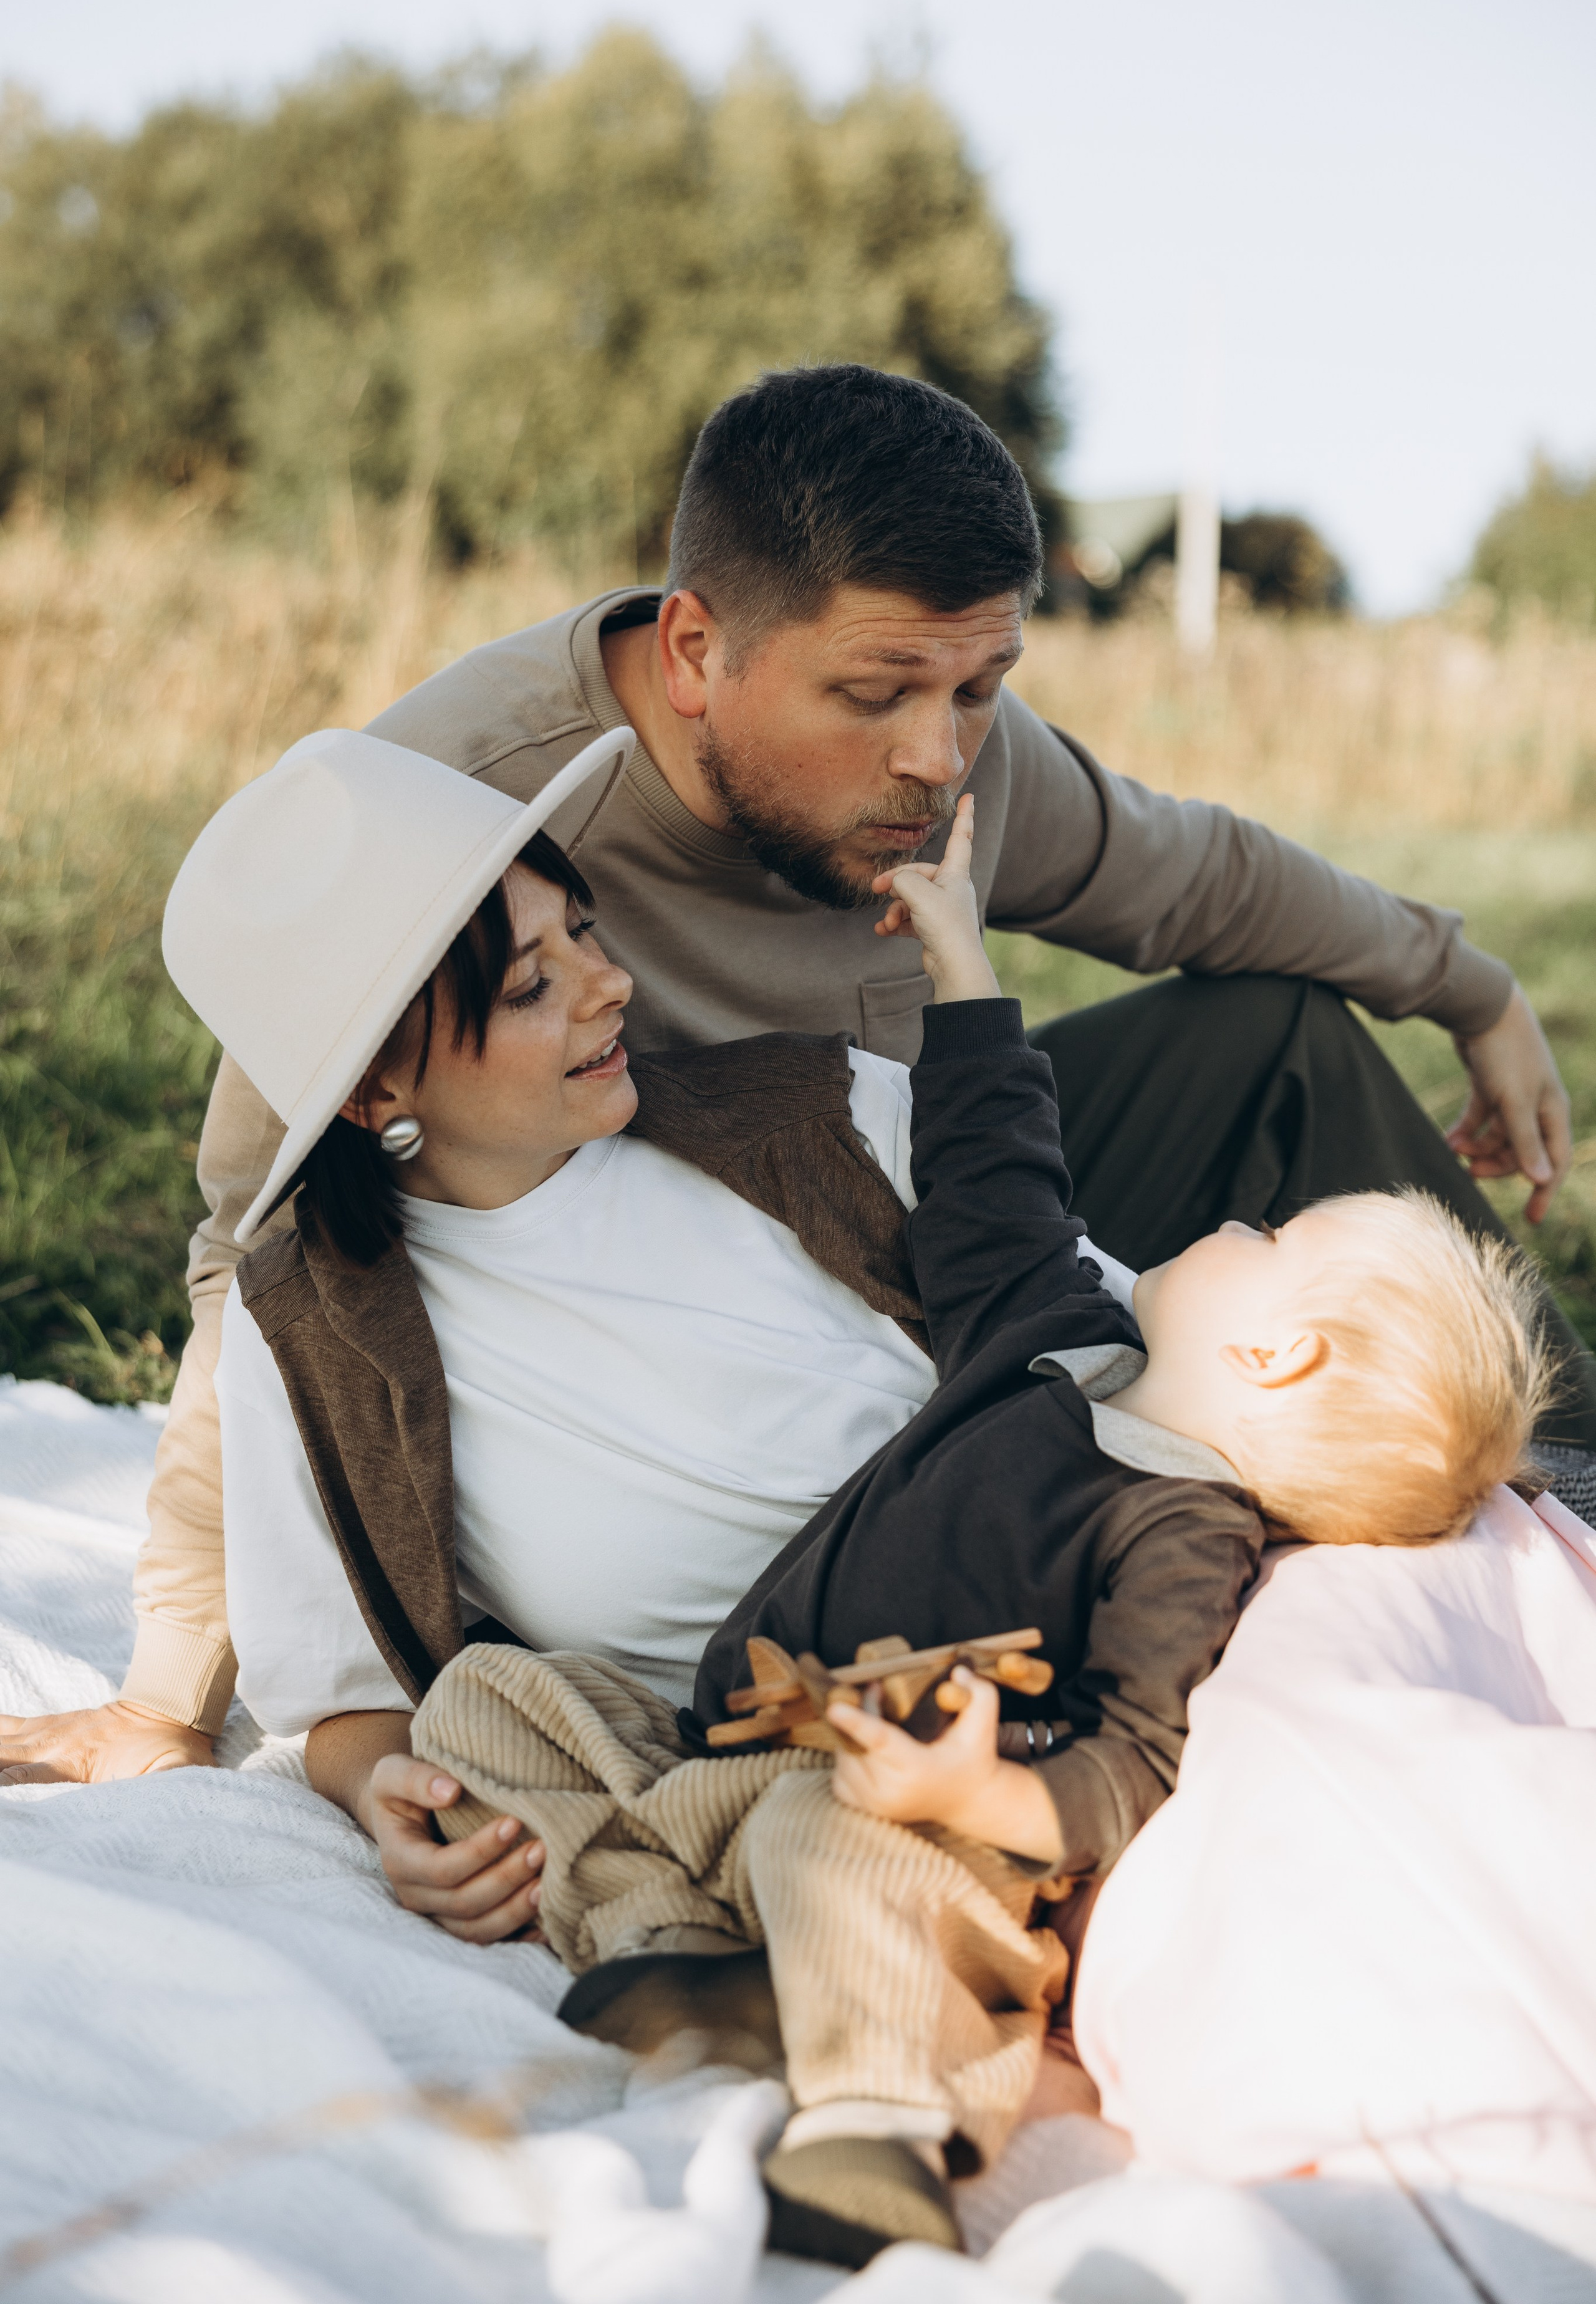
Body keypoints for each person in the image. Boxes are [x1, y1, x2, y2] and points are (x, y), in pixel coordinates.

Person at [2, 360, 1587, 1790]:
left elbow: (1190, 877)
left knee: (1274, 1040)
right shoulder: (443, 846)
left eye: (977, 686)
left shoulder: (951, 751)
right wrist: (171, 1692)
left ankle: (1548, 1510)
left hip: (928, 1223)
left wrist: (1464, 983)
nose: (939, 756)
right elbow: (252, 1255)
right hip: (717, 1386)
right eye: (877, 692)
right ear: (695, 651)